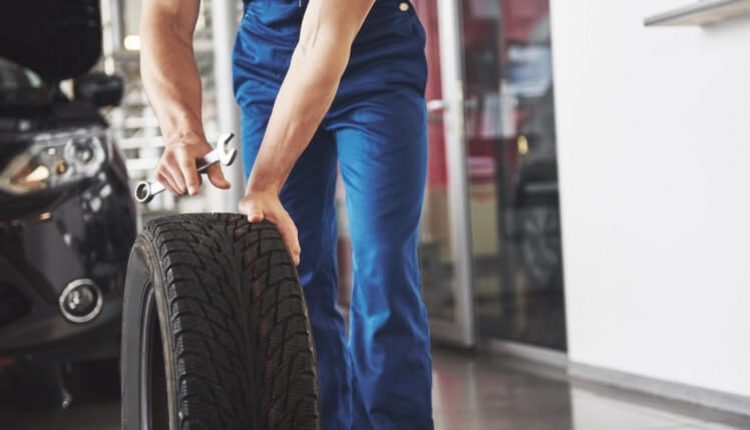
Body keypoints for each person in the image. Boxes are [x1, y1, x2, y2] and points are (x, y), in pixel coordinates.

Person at [140, 0, 433, 428]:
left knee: (383, 265)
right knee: (292, 274)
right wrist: (182, 131)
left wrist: (265, 185)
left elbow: (322, 39)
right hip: (269, 62)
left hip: (375, 60)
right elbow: (166, 16)